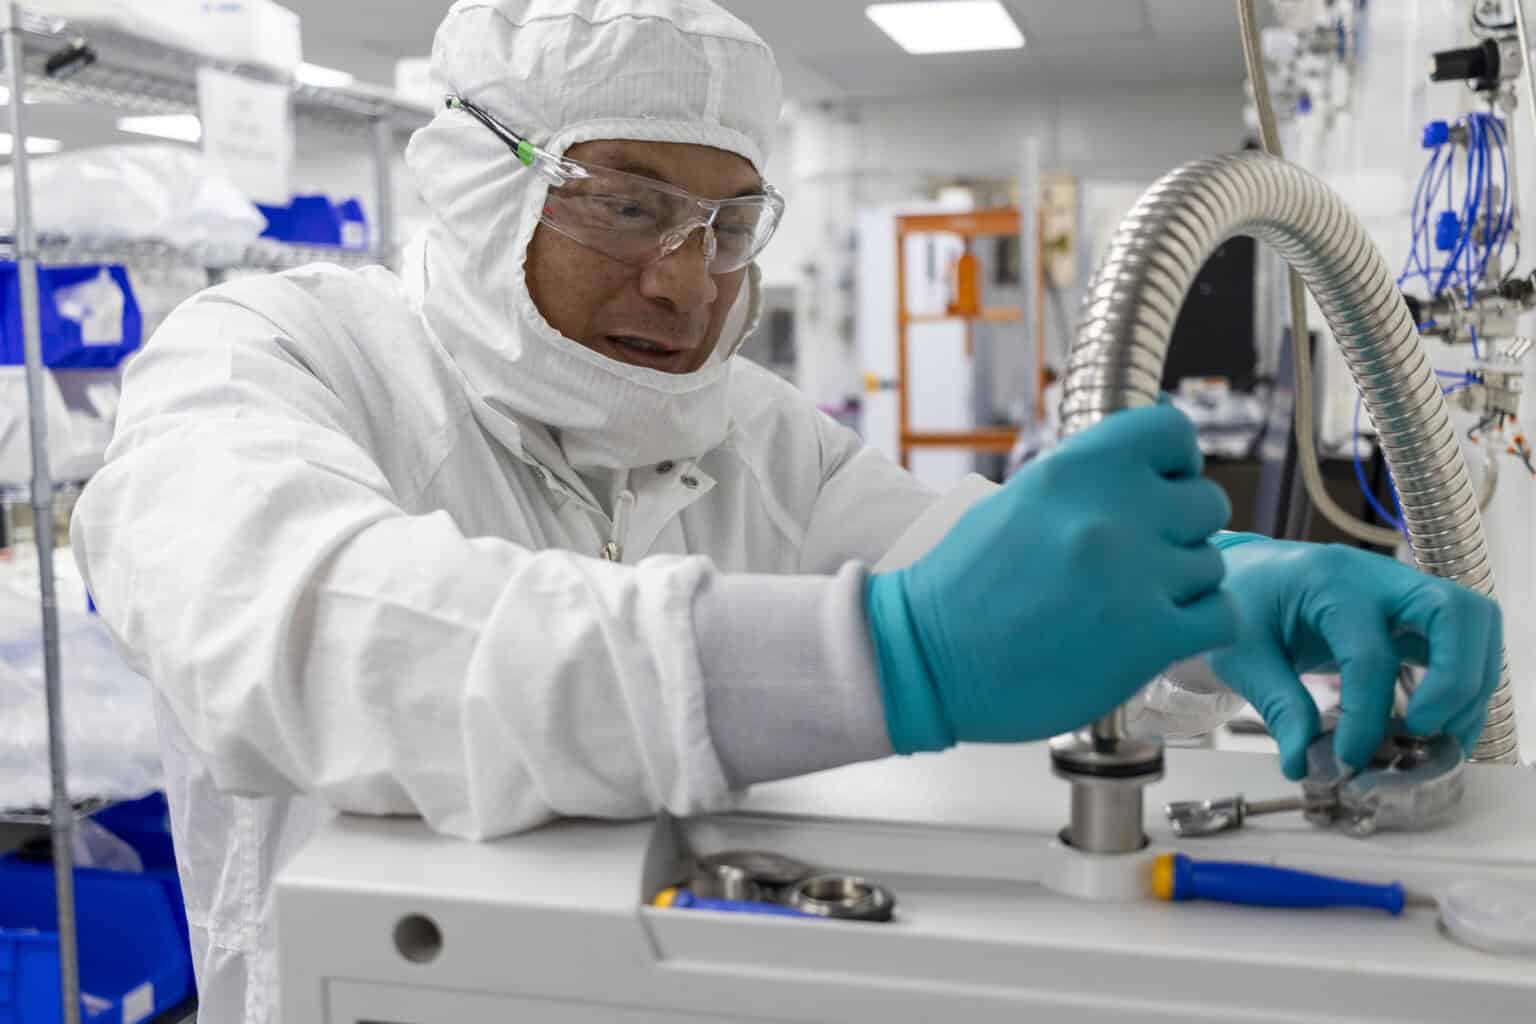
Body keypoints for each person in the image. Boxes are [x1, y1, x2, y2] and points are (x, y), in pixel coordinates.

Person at [70, 1, 1503, 1021]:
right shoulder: (269, 359)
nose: (686, 284)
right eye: (625, 206)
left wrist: (1220, 594)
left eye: (728, 226)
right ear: (470, 182)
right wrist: (890, 655)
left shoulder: (744, 432)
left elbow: (963, 553)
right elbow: (315, 633)